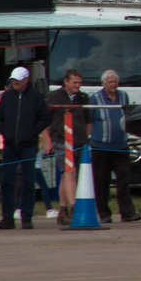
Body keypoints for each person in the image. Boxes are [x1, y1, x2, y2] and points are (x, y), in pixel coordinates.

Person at [0, 66, 50, 229]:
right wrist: (6, 132)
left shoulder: (36, 96)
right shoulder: (7, 96)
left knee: (28, 181)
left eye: (17, 79)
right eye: (13, 79)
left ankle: (27, 217)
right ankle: (8, 217)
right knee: (7, 181)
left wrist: (32, 133)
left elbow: (45, 118)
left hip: (28, 146)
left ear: (26, 80)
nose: (14, 82)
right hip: (10, 146)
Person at [88, 69, 139, 223]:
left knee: (123, 180)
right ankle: (104, 213)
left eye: (115, 81)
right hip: (100, 147)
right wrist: (89, 140)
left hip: (121, 146)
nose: (113, 84)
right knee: (101, 181)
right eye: (110, 81)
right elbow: (89, 121)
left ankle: (127, 213)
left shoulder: (124, 96)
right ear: (103, 83)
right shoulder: (95, 98)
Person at [45, 69, 90, 227]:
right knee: (70, 173)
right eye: (74, 82)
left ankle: (63, 211)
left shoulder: (83, 98)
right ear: (66, 81)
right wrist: (48, 140)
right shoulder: (54, 96)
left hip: (79, 143)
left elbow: (88, 120)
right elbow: (44, 120)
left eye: (79, 83)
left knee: (67, 176)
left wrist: (86, 138)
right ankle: (75, 209)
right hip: (61, 141)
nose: (78, 85)